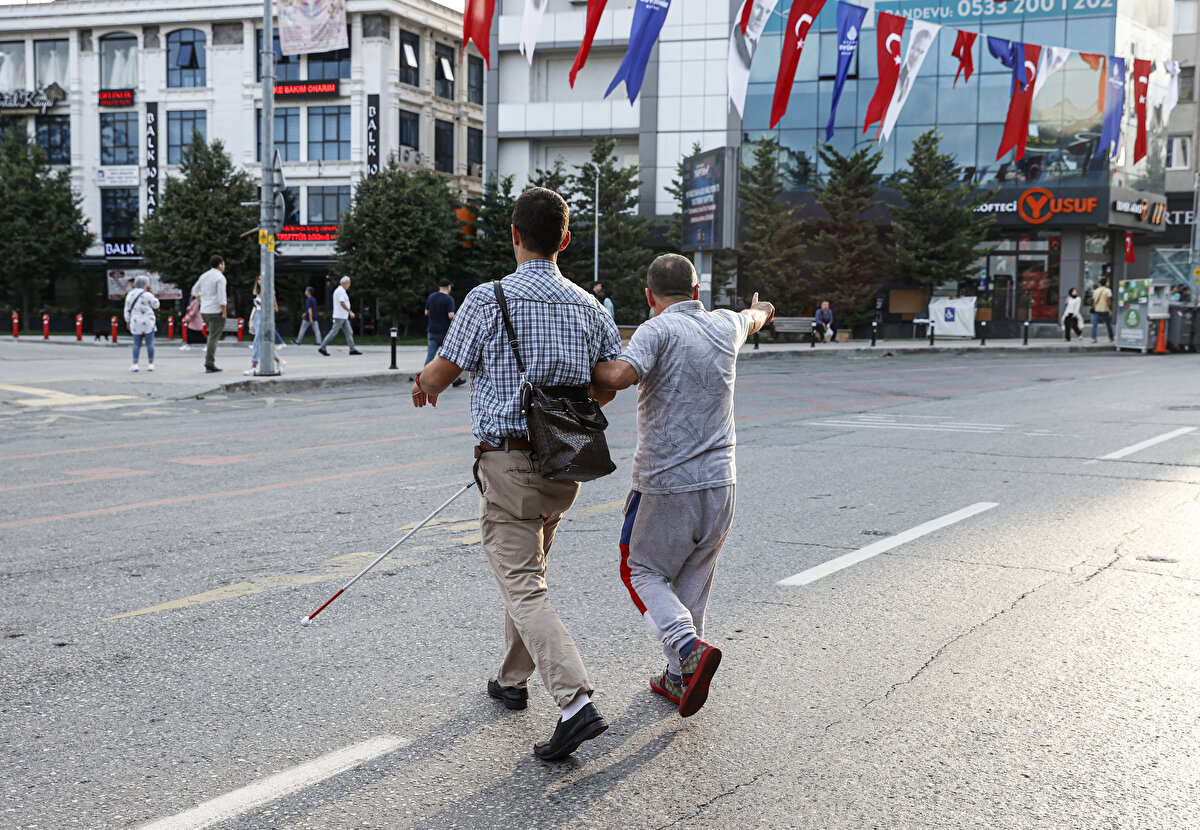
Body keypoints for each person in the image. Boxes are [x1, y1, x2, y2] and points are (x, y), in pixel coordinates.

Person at [410, 186, 621, 762]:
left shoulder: (487, 298)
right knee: (526, 565)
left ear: (513, 234)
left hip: (507, 463)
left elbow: (440, 373)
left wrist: (423, 386)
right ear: (566, 239)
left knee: (523, 580)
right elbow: (607, 379)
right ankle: (511, 680)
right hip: (565, 465)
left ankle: (575, 701)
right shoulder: (587, 305)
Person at [590, 254, 773, 719]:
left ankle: (686, 647)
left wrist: (581, 358)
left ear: (650, 297)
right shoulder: (725, 324)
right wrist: (763, 312)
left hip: (667, 483)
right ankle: (679, 674)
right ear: (697, 293)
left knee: (640, 570)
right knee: (693, 576)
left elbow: (618, 377)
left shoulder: (656, 329)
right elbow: (754, 318)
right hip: (722, 484)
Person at [192, 255, 227, 373]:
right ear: (220, 264)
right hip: (216, 311)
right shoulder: (220, 278)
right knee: (213, 338)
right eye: (223, 264)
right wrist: (224, 311)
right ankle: (209, 363)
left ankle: (209, 362)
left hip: (204, 311)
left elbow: (195, 290)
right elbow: (222, 296)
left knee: (211, 335)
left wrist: (202, 301)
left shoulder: (204, 275)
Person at [245, 276, 286, 376]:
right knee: (264, 343)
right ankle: (279, 360)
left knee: (257, 342)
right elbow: (255, 308)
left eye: (262, 279)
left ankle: (254, 366)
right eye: (258, 279)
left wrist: (264, 305)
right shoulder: (257, 291)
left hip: (265, 317)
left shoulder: (270, 291)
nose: (260, 281)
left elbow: (275, 308)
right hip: (258, 317)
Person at [318, 276, 362, 356]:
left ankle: (352, 349)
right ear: (344, 283)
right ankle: (322, 347)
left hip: (343, 316)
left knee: (349, 332)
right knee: (333, 332)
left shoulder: (341, 291)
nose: (349, 285)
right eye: (349, 283)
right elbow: (342, 303)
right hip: (340, 316)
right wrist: (350, 312)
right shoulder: (340, 291)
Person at [124, 275, 160, 372]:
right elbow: (156, 305)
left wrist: (127, 320)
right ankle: (150, 364)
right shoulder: (148, 294)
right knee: (150, 343)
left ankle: (135, 364)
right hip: (148, 321)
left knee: (136, 344)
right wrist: (152, 294)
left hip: (135, 321)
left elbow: (127, 309)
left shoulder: (130, 294)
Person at [1091, 278, 1114, 343]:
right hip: (1105, 309)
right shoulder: (1108, 290)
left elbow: (1093, 300)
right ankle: (1111, 337)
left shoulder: (1095, 291)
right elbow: (1108, 300)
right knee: (1108, 324)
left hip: (1097, 309)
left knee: (1094, 325)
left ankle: (1093, 338)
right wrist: (1110, 309)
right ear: (1106, 283)